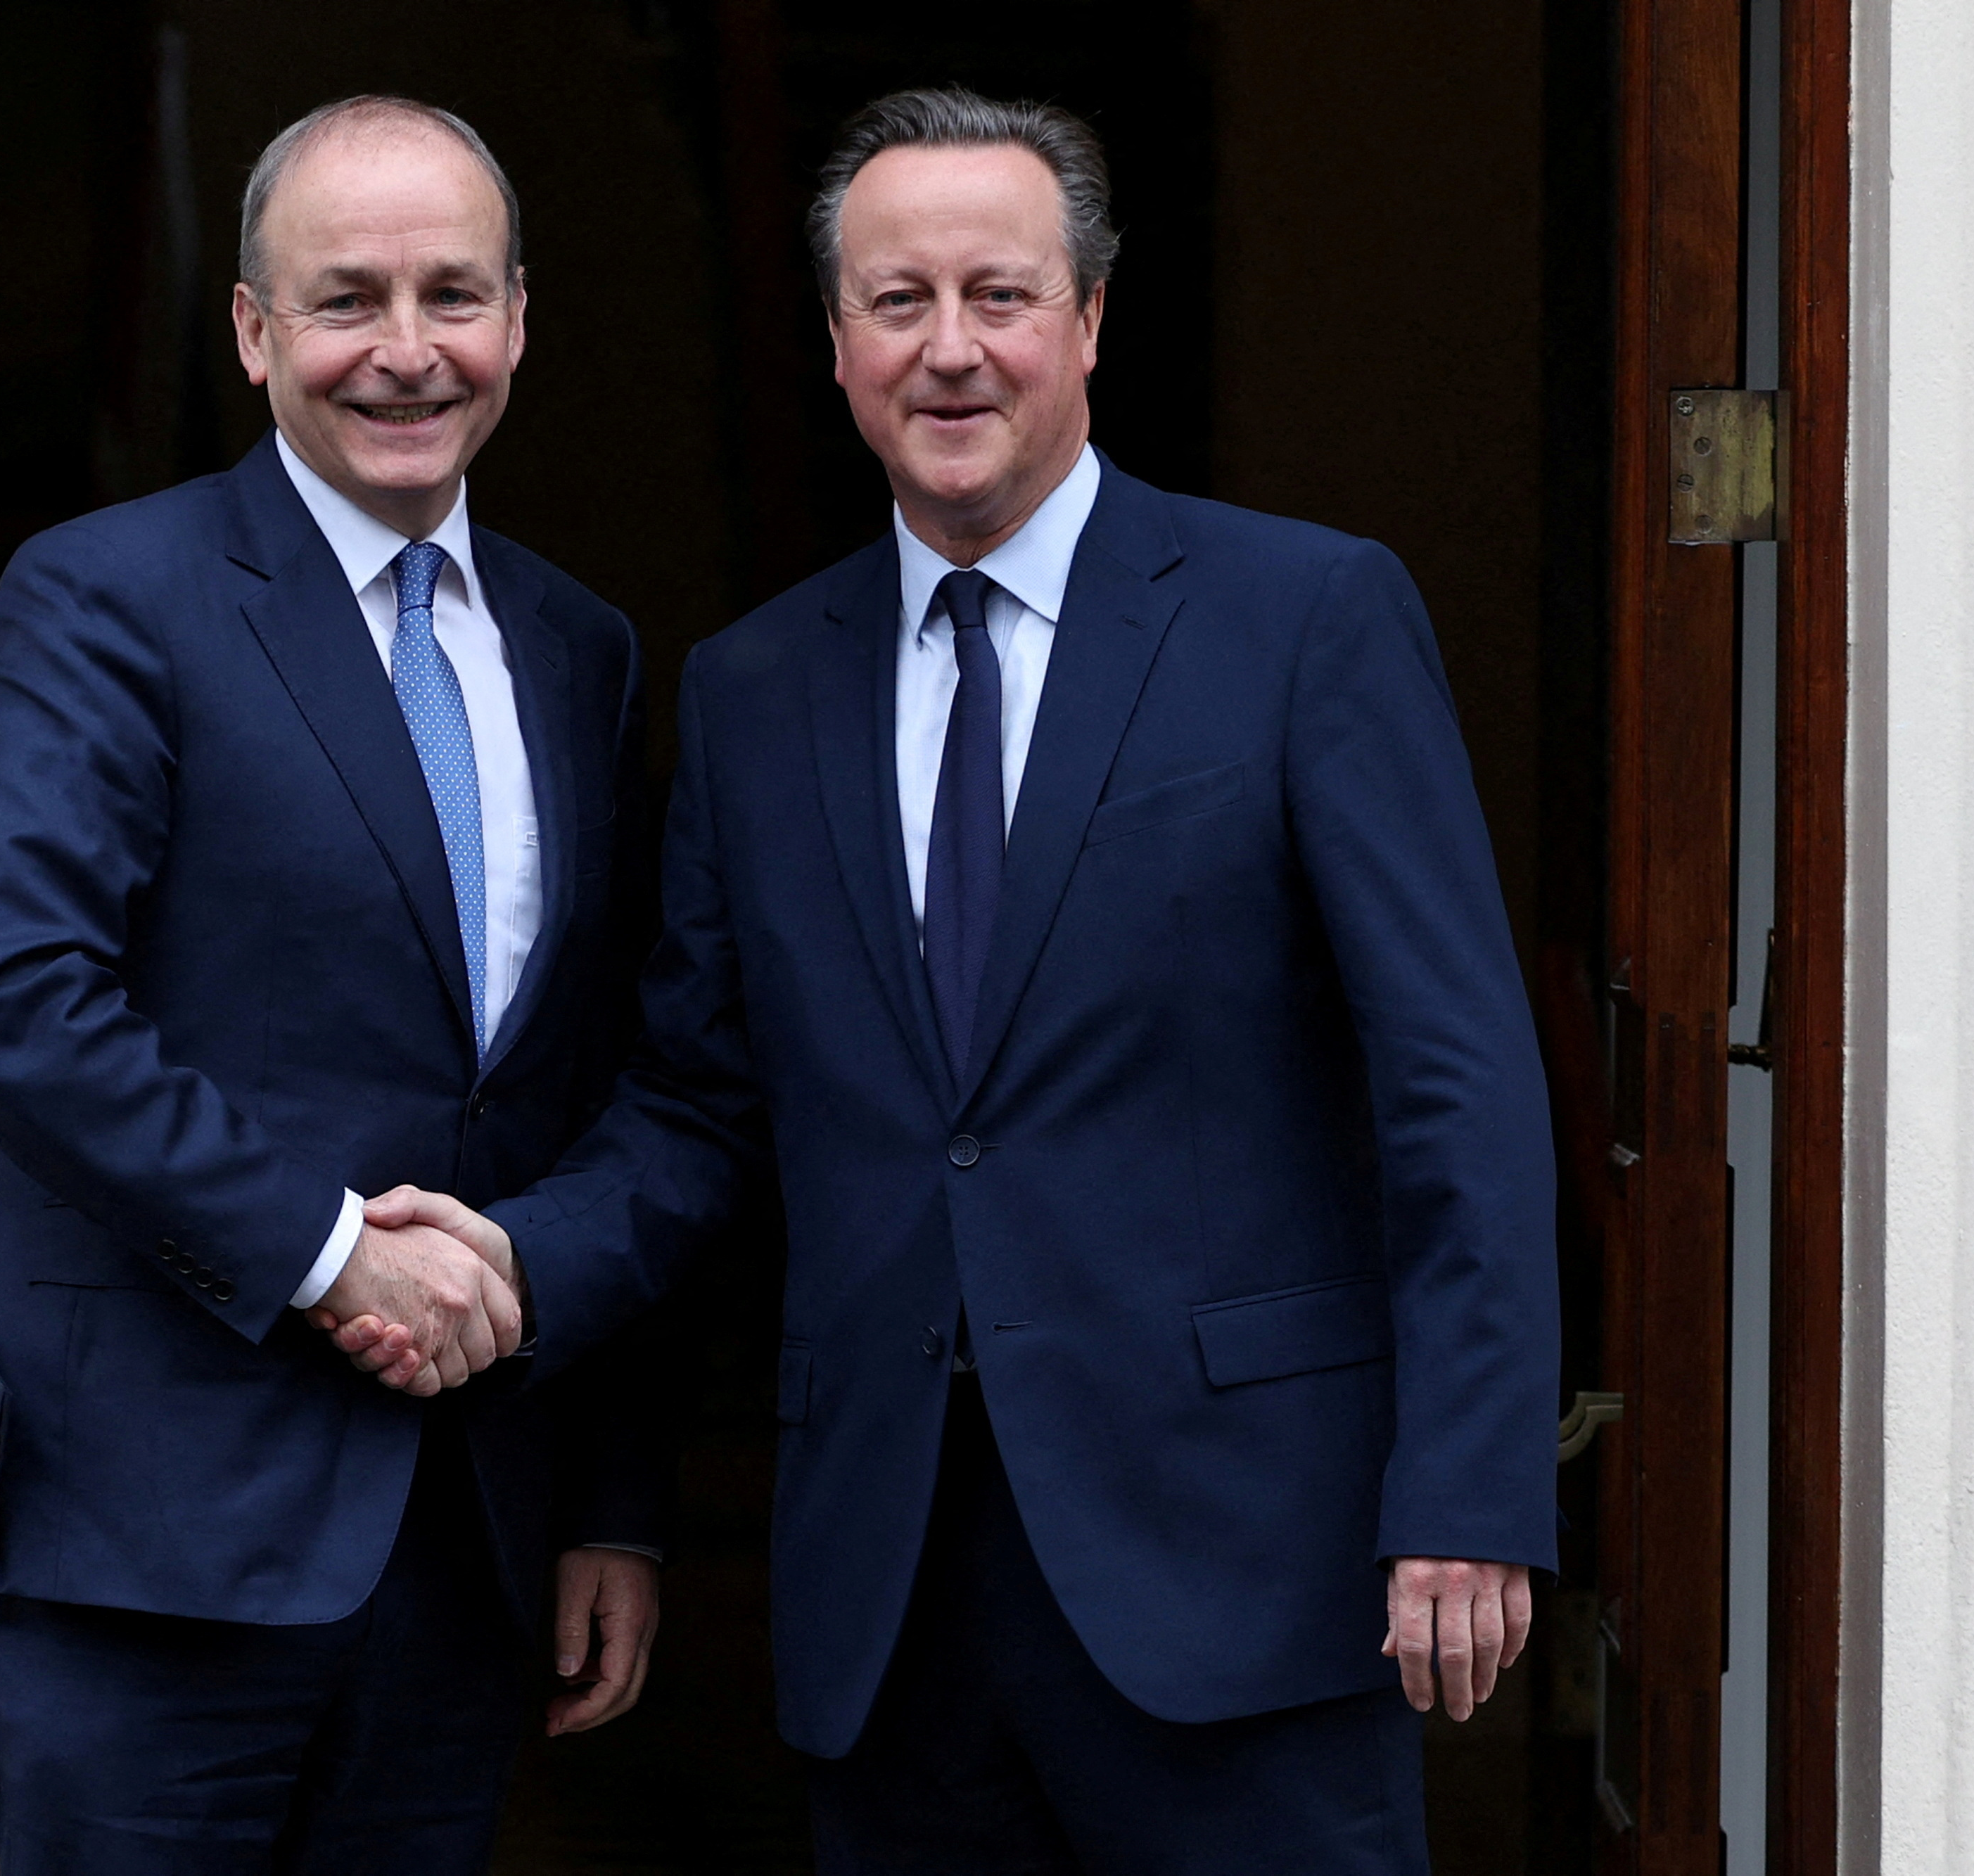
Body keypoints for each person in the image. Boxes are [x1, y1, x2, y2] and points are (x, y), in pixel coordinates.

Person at [340, 86, 1560, 1875]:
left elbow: (1451, 1074)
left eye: (999, 294)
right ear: (836, 345)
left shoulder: (1303, 619)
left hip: (1242, 1568)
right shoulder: (757, 689)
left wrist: (1464, 1487)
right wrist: (516, 1258)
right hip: (890, 1594)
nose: (950, 350)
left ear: (1085, 322)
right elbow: (696, 1102)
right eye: (896, 302)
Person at [0, 94, 664, 1876]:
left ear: (521, 319)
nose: (405, 352)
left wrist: (610, 1504)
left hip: (466, 1545)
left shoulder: (578, 647)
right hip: (151, 1532)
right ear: (251, 335)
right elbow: (2, 992)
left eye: (451, 295)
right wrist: (333, 1252)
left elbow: (586, 1086)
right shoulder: (112, 597)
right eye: (345, 300)